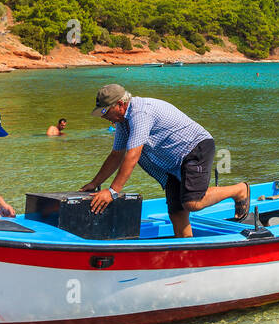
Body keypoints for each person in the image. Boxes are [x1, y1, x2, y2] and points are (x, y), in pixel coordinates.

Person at [80, 83, 250, 238]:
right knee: (176, 212)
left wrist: (112, 192)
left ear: (120, 105)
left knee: (193, 202)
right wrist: (94, 183)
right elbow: (116, 155)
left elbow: (132, 156)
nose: (104, 117)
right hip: (170, 162)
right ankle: (186, 250)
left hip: (195, 148)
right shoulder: (122, 121)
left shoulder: (140, 113)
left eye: (105, 111)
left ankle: (239, 190)